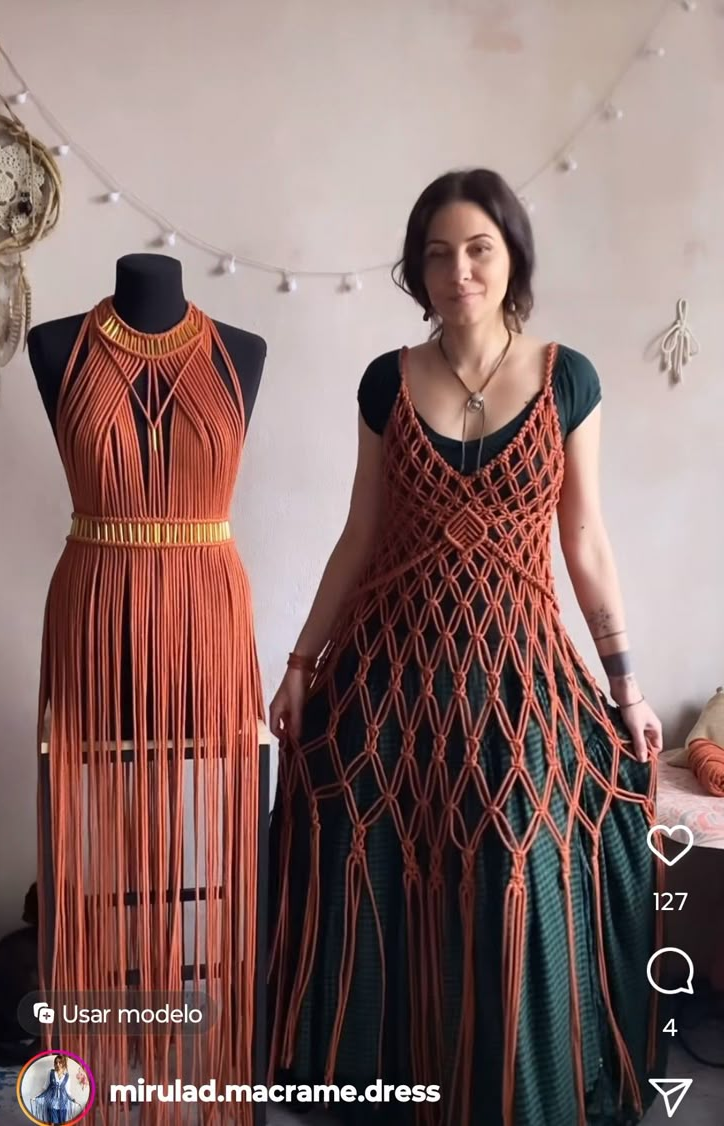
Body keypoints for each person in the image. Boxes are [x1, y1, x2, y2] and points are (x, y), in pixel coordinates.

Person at [266, 168, 668, 1126]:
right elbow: (360, 532)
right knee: (368, 841)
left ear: (512, 254)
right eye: (438, 254)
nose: (459, 270)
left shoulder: (568, 378)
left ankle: (506, 1086)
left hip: (518, 666)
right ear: (418, 271)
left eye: (478, 247)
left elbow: (586, 541)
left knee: (514, 858)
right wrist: (299, 662)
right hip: (393, 663)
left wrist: (626, 683)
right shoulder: (385, 381)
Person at [30, 1055, 82, 1123]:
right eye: (56, 1062)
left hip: (63, 1104)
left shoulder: (67, 1076)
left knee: (62, 1123)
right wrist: (36, 1097)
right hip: (52, 1103)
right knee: (53, 1122)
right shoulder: (51, 1073)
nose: (57, 1064)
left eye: (60, 1062)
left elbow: (68, 1092)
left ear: (63, 1063)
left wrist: (74, 1100)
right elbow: (45, 1087)